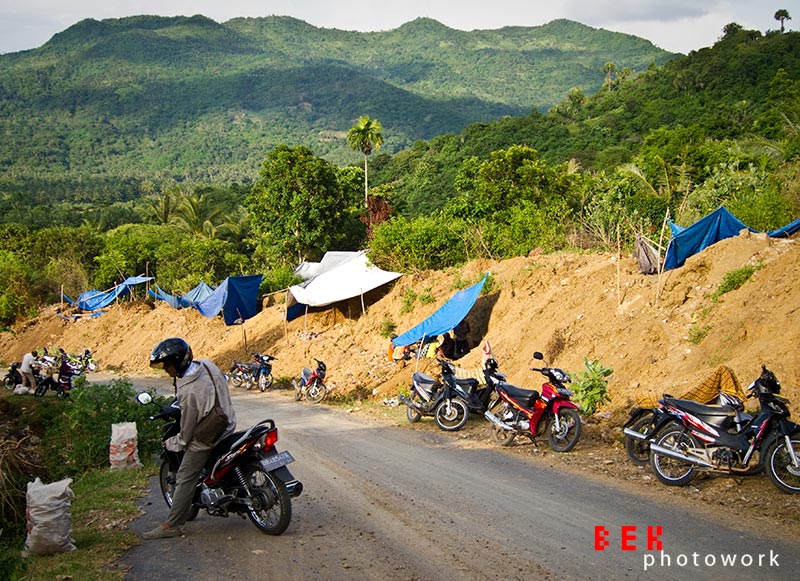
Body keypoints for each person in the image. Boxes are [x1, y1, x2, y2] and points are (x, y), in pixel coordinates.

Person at [142, 337, 236, 540]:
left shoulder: (188, 391)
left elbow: (186, 432)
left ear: (178, 363)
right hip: (229, 423)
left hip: (210, 435)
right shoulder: (208, 365)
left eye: (167, 366)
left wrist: (173, 442)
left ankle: (172, 525)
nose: (166, 371)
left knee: (185, 476)